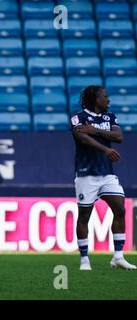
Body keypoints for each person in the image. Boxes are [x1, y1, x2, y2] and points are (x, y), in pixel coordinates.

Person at [71, 85, 135, 271]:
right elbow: (82, 138)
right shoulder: (78, 117)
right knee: (84, 215)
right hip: (86, 173)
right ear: (95, 99)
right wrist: (105, 148)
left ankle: (118, 257)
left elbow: (119, 136)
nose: (108, 100)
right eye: (105, 97)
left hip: (107, 174)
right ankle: (84, 259)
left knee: (120, 209)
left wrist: (96, 131)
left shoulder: (110, 117)